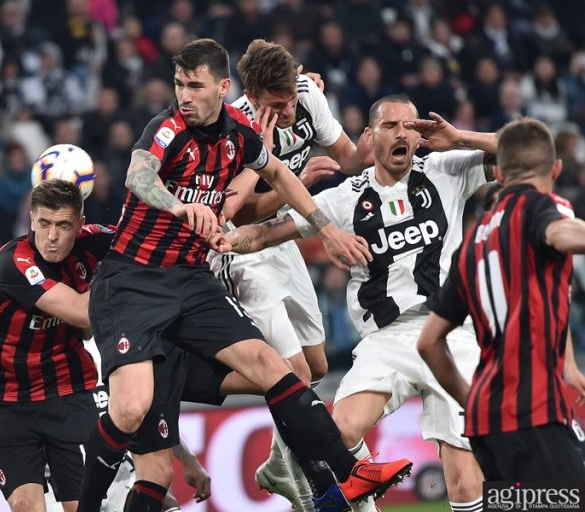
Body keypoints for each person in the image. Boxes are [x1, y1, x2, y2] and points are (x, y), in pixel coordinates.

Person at [78, 39, 412, 512]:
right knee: (131, 409)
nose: (184, 95)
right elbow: (138, 175)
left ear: (222, 87)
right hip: (133, 280)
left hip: (192, 279)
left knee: (274, 367)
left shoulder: (240, 132)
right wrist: (179, 204)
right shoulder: (167, 128)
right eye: (179, 84)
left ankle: (351, 473)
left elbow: (277, 173)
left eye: (195, 85)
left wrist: (326, 228)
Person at [212, 95, 498, 512]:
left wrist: (458, 138)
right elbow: (264, 234)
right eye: (390, 125)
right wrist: (225, 240)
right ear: (369, 137)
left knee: (464, 478)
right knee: (337, 433)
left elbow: (530, 152)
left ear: (420, 137)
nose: (402, 133)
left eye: (410, 126)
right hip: (387, 339)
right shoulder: (343, 199)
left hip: (451, 332)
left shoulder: (446, 169)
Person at [207, 39, 371, 511]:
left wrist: (373, 144)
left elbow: (347, 155)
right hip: (242, 251)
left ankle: (280, 462)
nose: (290, 107)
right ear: (253, 96)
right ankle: (320, 489)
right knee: (293, 371)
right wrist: (298, 184)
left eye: (293, 98)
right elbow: (241, 215)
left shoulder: (306, 95)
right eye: (279, 104)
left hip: (284, 241)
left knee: (317, 368)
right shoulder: (234, 125)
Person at [417, 118, 585, 481]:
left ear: (501, 175)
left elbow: (428, 342)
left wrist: (471, 403)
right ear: (555, 169)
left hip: (485, 421)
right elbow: (560, 233)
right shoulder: (539, 208)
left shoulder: (472, 241)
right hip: (537, 411)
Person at [0, 179, 107, 511]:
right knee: (26, 506)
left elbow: (139, 239)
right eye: (44, 224)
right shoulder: (13, 263)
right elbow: (81, 313)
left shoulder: (92, 242)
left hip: (69, 395)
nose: (52, 236)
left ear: (79, 225)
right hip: (8, 404)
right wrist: (113, 273)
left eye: (63, 225)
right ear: (31, 220)